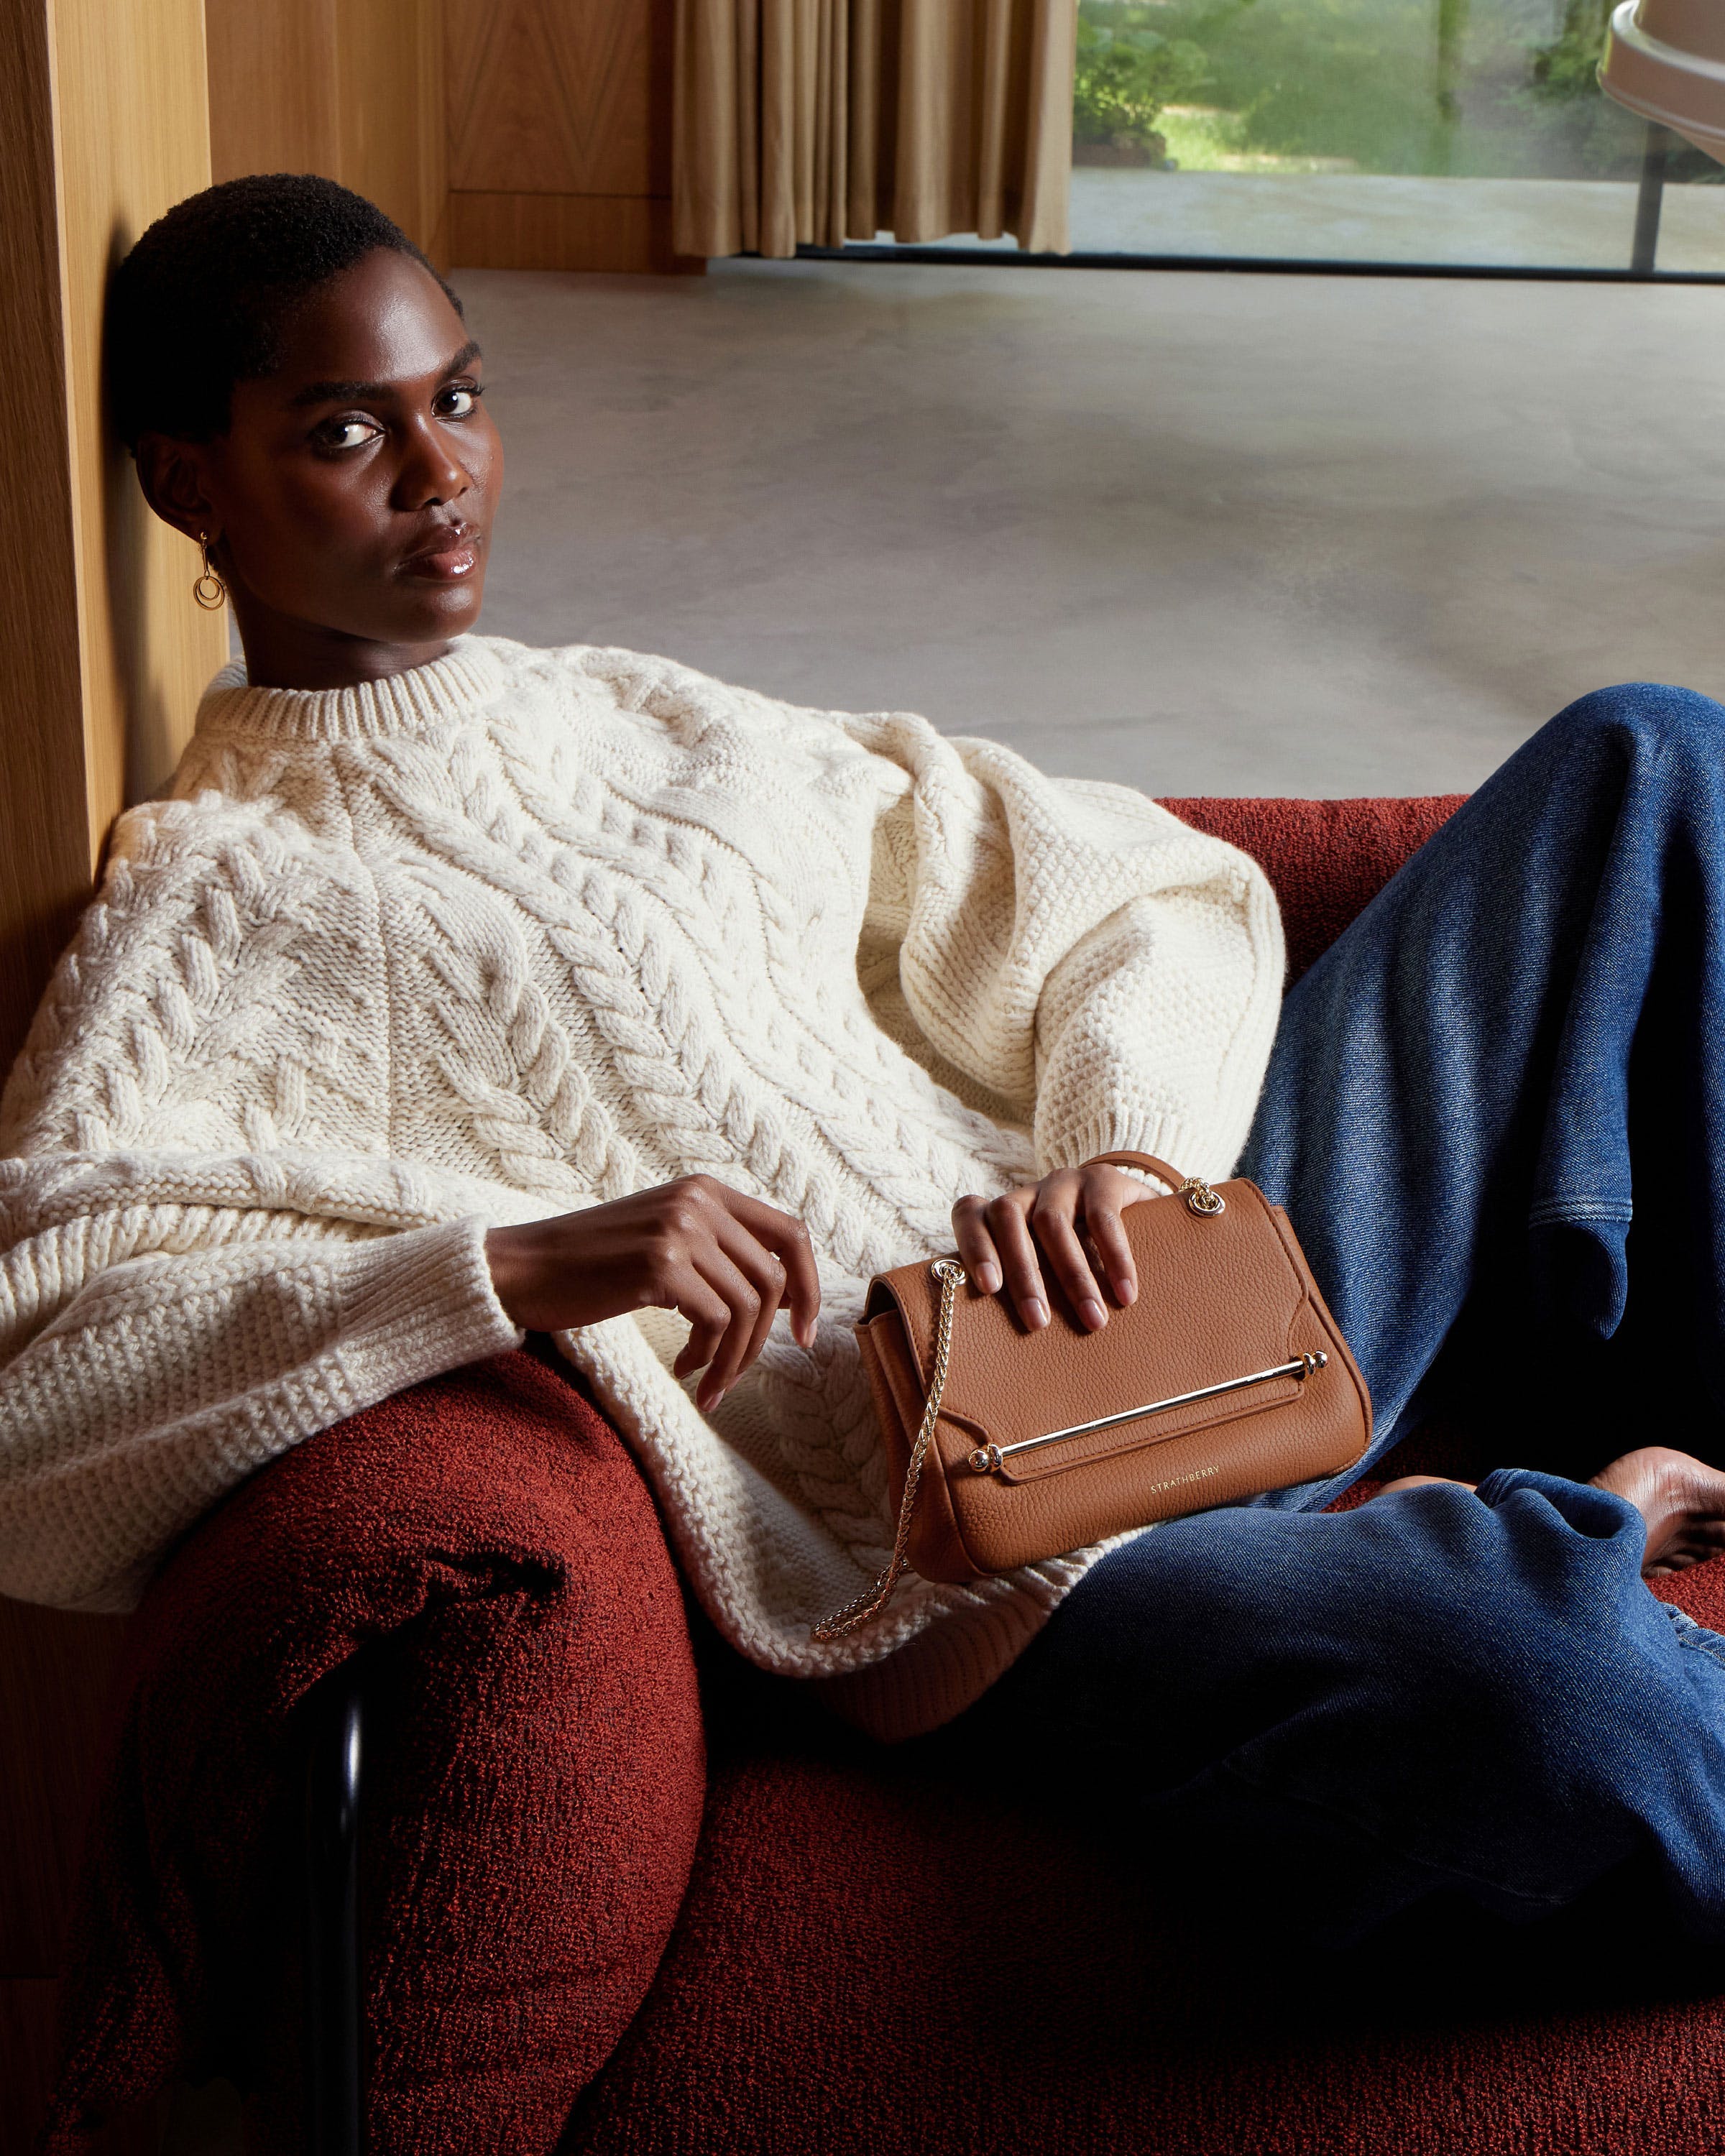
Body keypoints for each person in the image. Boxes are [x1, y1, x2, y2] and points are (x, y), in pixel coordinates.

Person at [3, 173, 1725, 1953]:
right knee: (1578, 1705)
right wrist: (520, 1267)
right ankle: (1549, 1542)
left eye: (458, 396)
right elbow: (33, 1414)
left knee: (1648, 764)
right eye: (349, 431)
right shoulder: (215, 904)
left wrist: (1121, 1153)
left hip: (1183, 1298)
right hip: (988, 1556)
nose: (442, 474)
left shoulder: (633, 708)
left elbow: (1135, 887)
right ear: (188, 482)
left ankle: (1509, 1518)